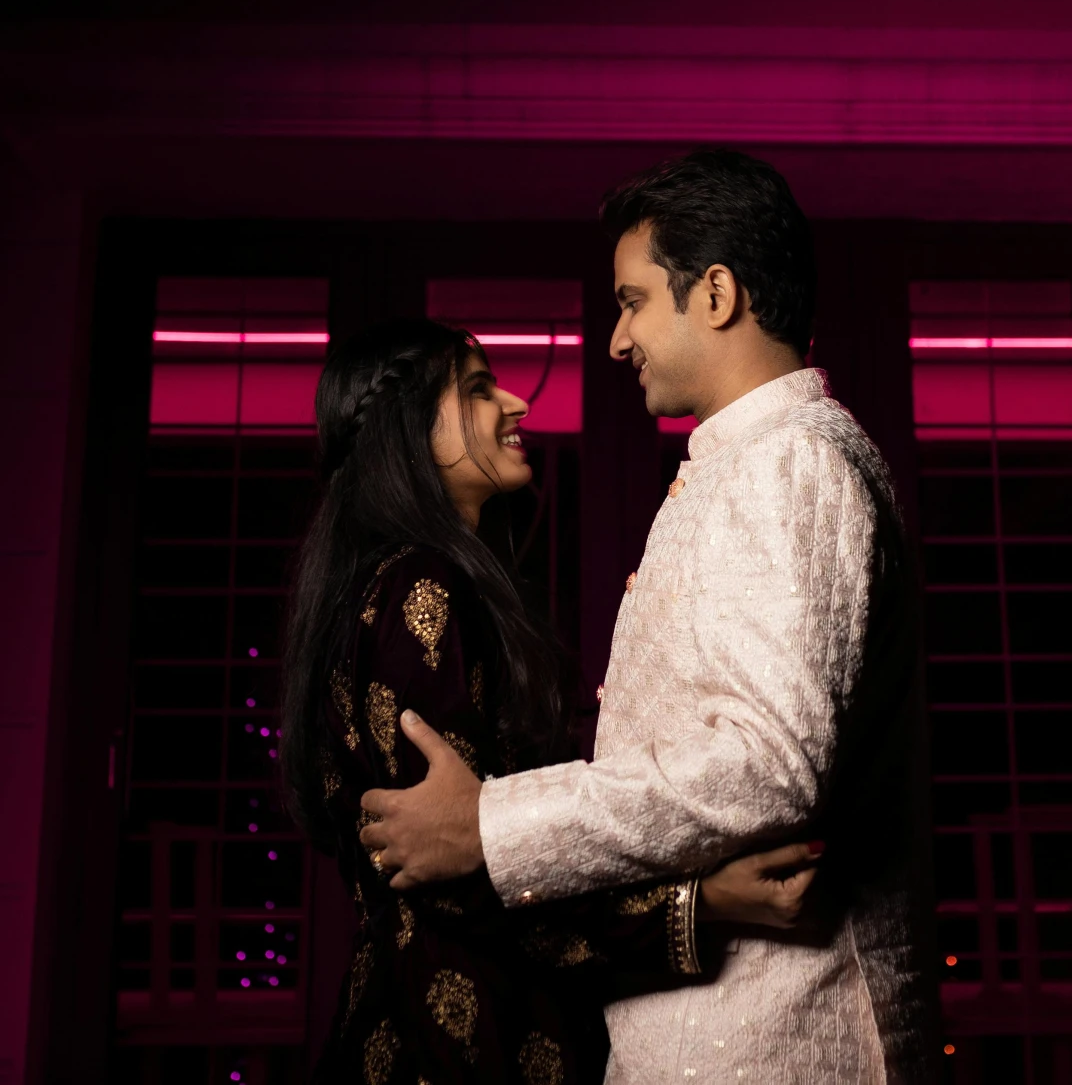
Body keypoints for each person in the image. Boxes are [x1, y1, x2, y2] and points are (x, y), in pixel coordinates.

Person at [361, 150, 931, 1082]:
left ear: (714, 293)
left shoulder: (789, 464)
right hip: (722, 1027)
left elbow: (768, 763)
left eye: (630, 302)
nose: (617, 339)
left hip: (775, 1038)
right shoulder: (748, 460)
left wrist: (493, 824)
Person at [282, 315, 823, 1083]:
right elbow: (465, 871)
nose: (516, 403)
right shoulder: (415, 589)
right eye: (476, 389)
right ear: (407, 431)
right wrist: (700, 902)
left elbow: (489, 844)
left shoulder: (393, 585)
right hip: (459, 1046)